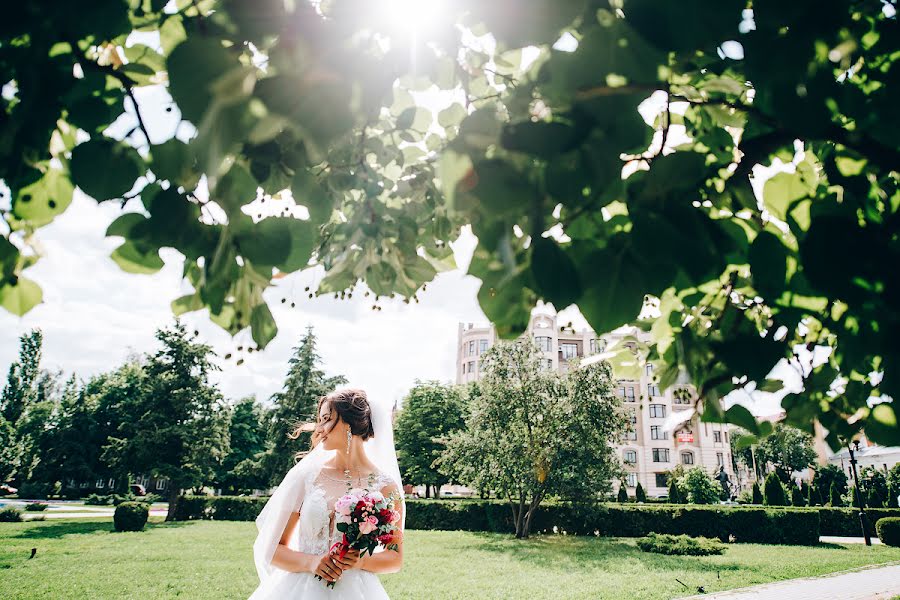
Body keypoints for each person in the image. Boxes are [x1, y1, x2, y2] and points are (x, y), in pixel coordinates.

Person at [249, 388, 405, 599]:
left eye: (326, 419)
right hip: (301, 590)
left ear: (348, 424)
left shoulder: (386, 488)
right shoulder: (306, 477)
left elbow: (394, 559)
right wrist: (311, 562)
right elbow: (272, 549)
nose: (319, 428)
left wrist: (360, 561)